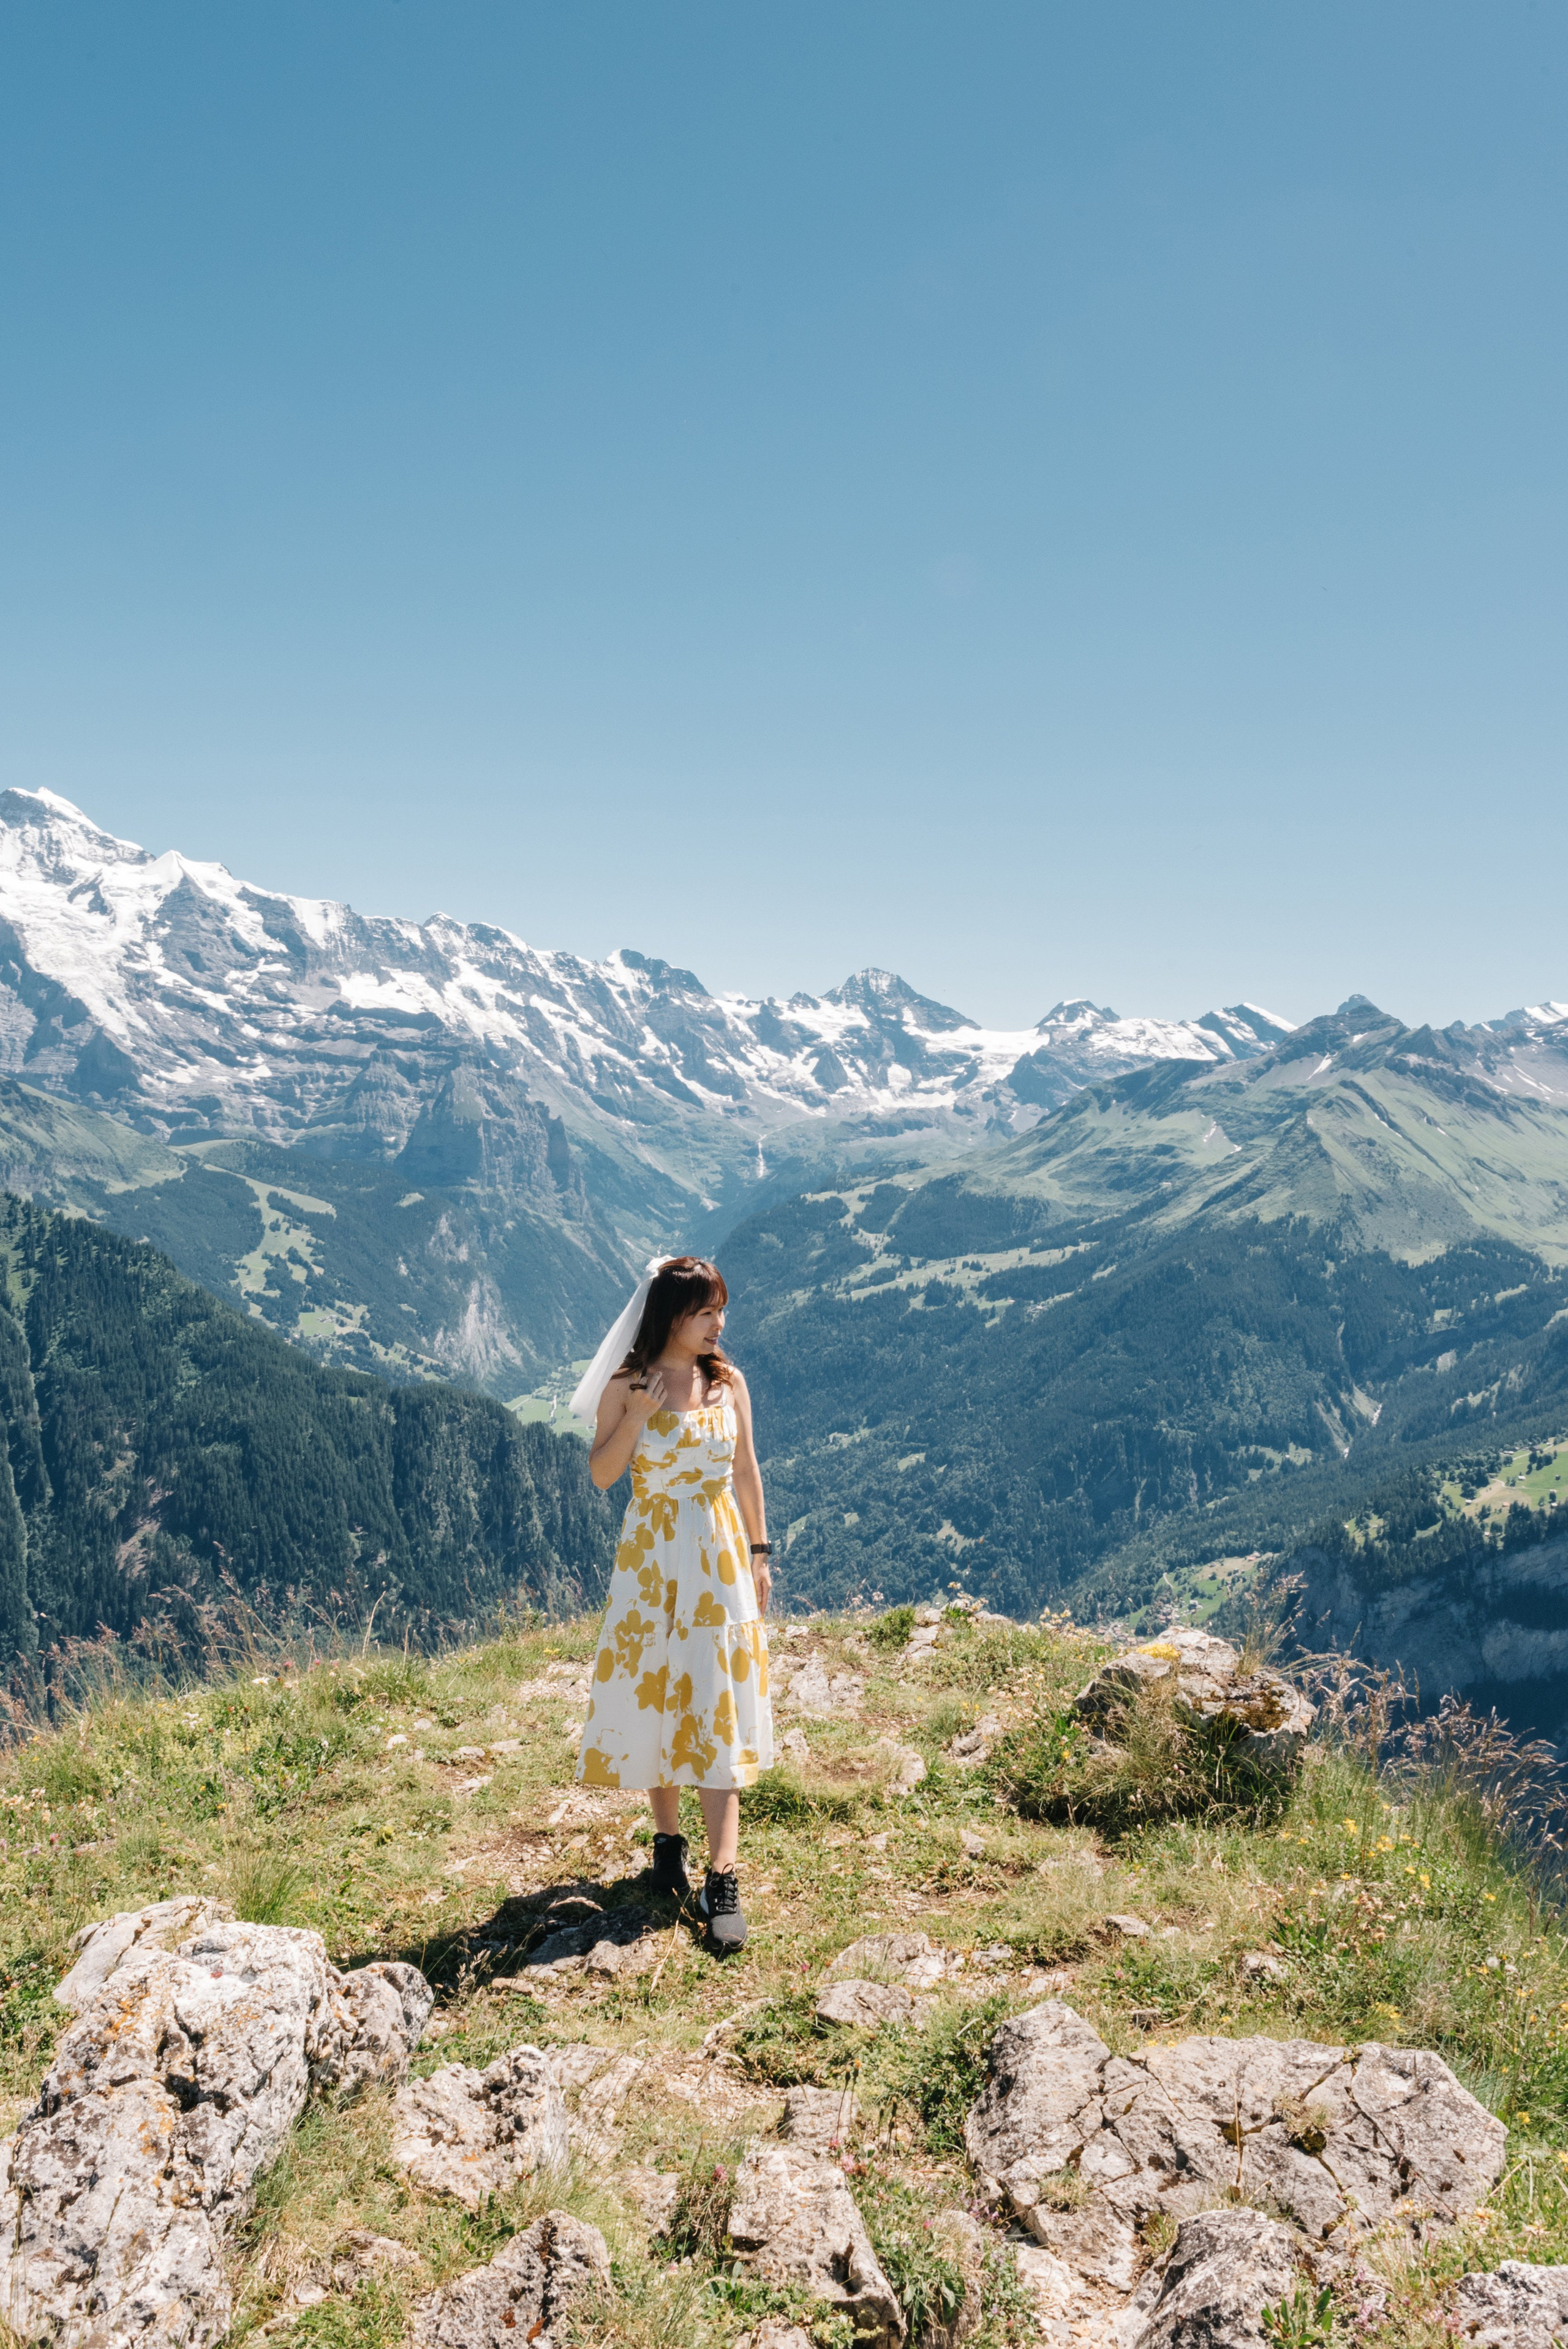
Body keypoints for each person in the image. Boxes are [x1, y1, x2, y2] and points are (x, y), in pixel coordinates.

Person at [570, 1255, 773, 1950]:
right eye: (706, 1312)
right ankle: (667, 1846)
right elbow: (603, 1474)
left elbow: (745, 1469)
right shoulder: (628, 1384)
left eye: (720, 1310)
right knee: (658, 1691)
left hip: (718, 1554)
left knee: (715, 1700)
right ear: (672, 1316)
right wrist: (637, 1416)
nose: (720, 1324)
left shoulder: (728, 1382)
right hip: (653, 1559)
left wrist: (760, 1552)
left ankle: (723, 1875)